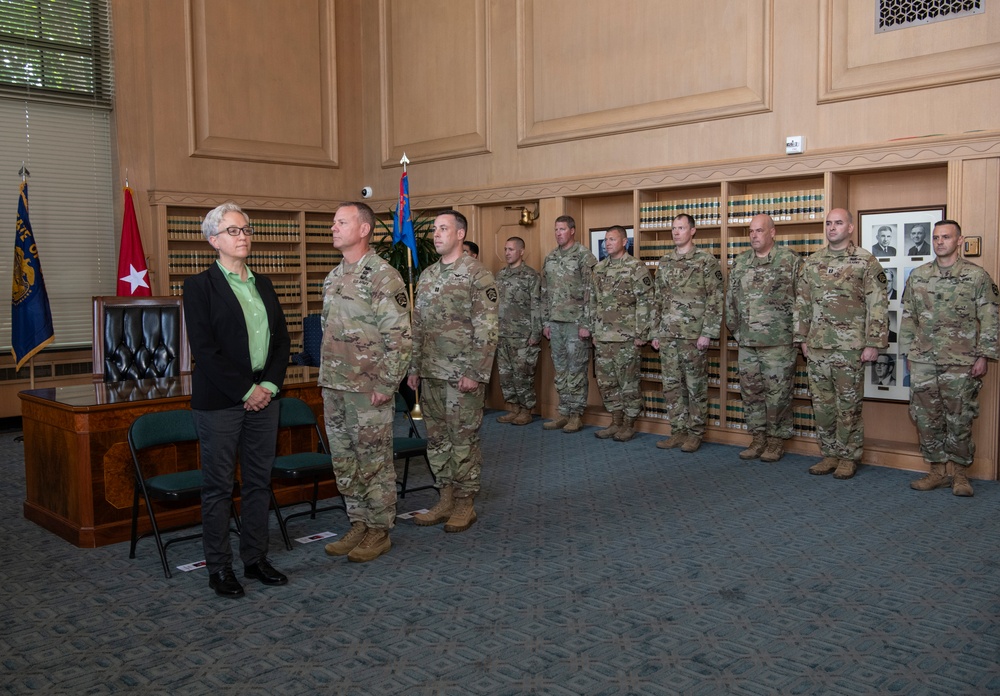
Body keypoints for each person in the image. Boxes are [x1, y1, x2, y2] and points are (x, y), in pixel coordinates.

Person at [183, 202, 290, 598]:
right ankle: (219, 567)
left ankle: (255, 559)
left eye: (245, 229)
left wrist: (270, 388)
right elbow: (206, 352)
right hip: (221, 403)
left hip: (267, 398)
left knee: (259, 483)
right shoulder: (199, 287)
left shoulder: (263, 283)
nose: (243, 235)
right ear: (213, 240)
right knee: (219, 487)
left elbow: (282, 341)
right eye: (233, 230)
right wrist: (248, 391)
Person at [318, 202, 412, 562]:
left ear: (363, 229)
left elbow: (400, 338)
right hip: (335, 386)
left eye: (341, 222)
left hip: (368, 388)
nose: (333, 228)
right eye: (333, 222)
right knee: (344, 460)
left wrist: (386, 385)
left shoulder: (382, 276)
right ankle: (358, 521)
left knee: (373, 461)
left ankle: (379, 529)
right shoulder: (333, 276)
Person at [407, 210, 498, 532]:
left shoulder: (478, 274)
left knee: (463, 440)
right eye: (434, 229)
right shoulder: (429, 275)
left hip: (462, 374)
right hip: (430, 372)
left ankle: (464, 503)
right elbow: (417, 325)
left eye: (443, 229)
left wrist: (475, 371)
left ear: (460, 234)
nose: (436, 234)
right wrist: (414, 366)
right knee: (437, 440)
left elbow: (487, 329)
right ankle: (444, 498)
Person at [900, 219, 999, 497]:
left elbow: (990, 318)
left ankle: (960, 475)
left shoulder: (976, 276)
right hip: (923, 360)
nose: (939, 242)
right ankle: (936, 471)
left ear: (959, 240)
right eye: (936, 237)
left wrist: (984, 356)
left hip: (961, 361)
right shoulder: (918, 275)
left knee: (960, 417)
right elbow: (909, 318)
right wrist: (909, 353)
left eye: (945, 237)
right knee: (925, 417)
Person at [795, 208, 888, 480]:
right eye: (828, 223)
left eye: (838, 223)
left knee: (848, 405)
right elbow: (802, 303)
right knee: (822, 404)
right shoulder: (812, 262)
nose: (832, 227)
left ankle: (848, 456)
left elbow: (878, 305)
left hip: (851, 348)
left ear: (850, 228)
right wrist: (801, 338)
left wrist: (874, 342)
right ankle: (829, 454)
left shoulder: (865, 261)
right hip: (817, 345)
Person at [725, 214, 801, 462]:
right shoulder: (741, 262)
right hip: (747, 342)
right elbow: (731, 300)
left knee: (778, 394)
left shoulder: (789, 261)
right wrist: (737, 332)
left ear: (772, 233)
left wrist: (797, 336)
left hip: (779, 343)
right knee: (751, 393)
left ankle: (776, 441)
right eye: (751, 232)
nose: (754, 236)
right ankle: (757, 438)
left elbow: (803, 301)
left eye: (759, 231)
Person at [651, 213, 723, 453]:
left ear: (692, 231)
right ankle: (678, 430)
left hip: (693, 335)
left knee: (695, 386)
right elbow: (657, 299)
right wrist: (656, 331)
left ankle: (695, 433)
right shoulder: (664, 262)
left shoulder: (705, 261)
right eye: (673, 228)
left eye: (681, 228)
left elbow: (715, 298)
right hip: (668, 334)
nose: (676, 232)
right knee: (671, 386)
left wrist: (708, 332)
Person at [589, 225, 654, 442]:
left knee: (629, 383)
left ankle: (629, 423)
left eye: (612, 239)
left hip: (627, 338)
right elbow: (593, 303)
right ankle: (615, 420)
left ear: (624, 242)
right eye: (606, 240)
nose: (608, 243)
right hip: (604, 337)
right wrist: (594, 331)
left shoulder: (636, 267)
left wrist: (641, 333)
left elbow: (646, 302)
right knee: (607, 382)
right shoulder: (598, 269)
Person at [540, 215, 598, 433]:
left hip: (576, 323)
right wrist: (546, 321)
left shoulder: (584, 256)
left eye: (562, 229)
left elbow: (591, 292)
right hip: (555, 323)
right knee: (561, 370)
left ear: (572, 231)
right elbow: (544, 292)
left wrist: (586, 323)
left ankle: (576, 415)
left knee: (576, 370)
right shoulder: (551, 257)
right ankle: (563, 412)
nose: (558, 233)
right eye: (556, 229)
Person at [494, 236, 542, 426]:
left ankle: (526, 410)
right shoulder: (500, 275)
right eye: (505, 249)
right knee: (505, 375)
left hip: (523, 335)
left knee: (523, 375)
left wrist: (535, 333)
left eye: (511, 249)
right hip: (502, 333)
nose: (507, 253)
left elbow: (536, 306)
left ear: (521, 252)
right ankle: (513, 409)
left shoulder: (531, 276)